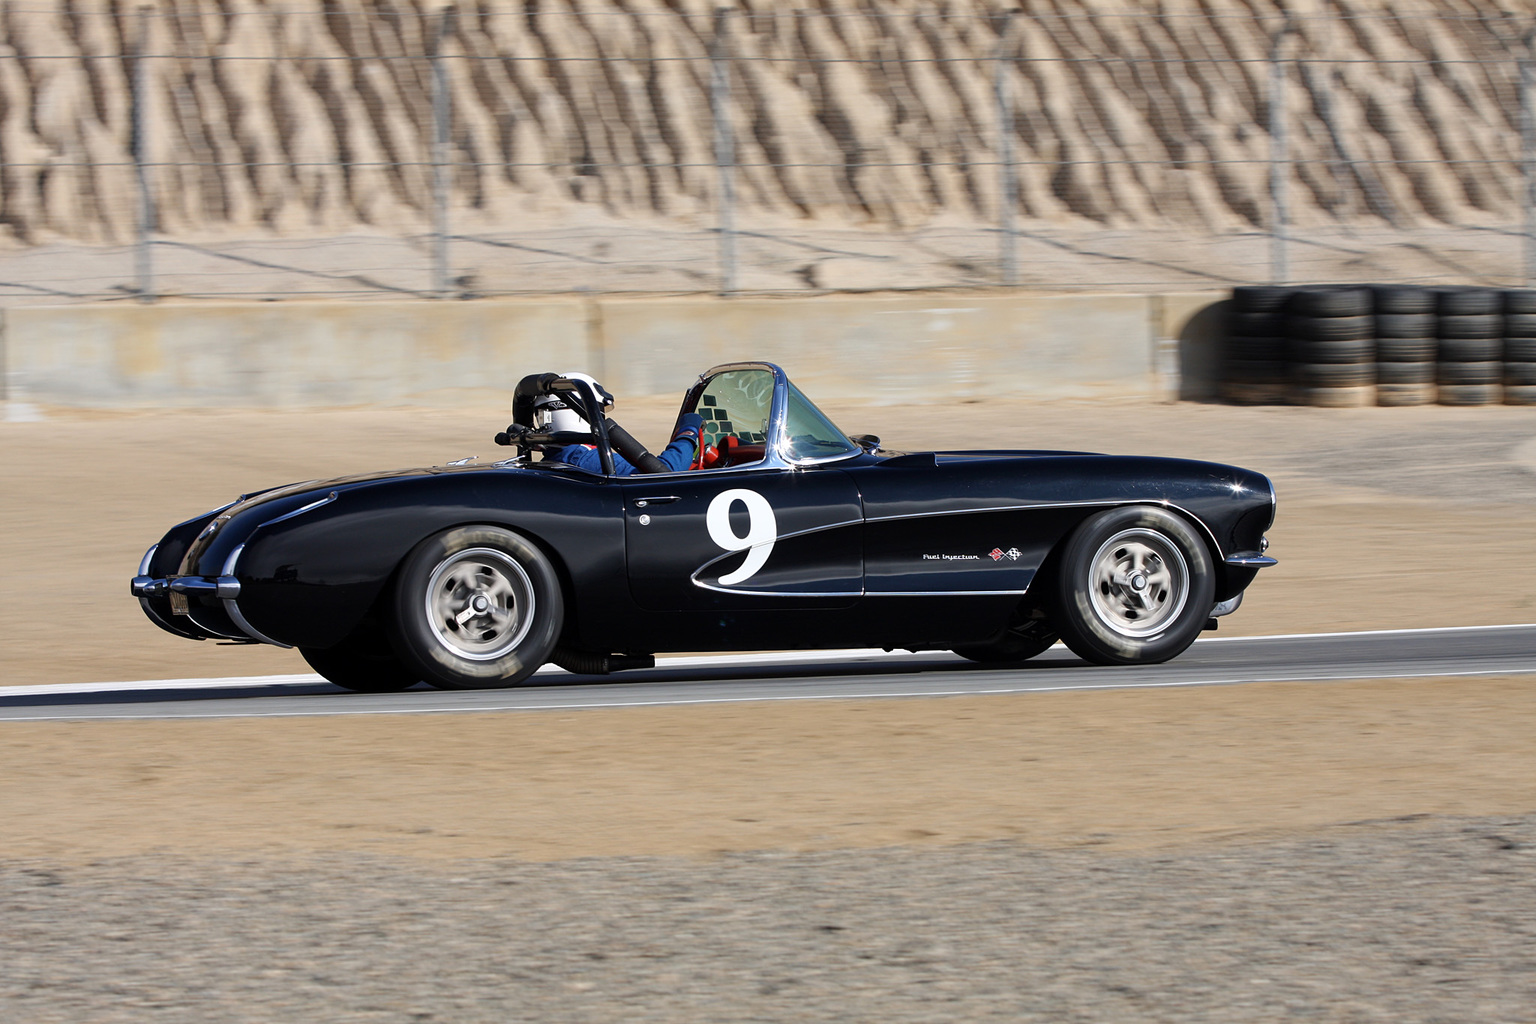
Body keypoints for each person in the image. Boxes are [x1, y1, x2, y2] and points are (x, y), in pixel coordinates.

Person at [533, 372, 703, 476]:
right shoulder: (584, 458)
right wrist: (688, 433)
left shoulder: (556, 457)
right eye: (598, 412)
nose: (599, 418)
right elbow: (667, 472)